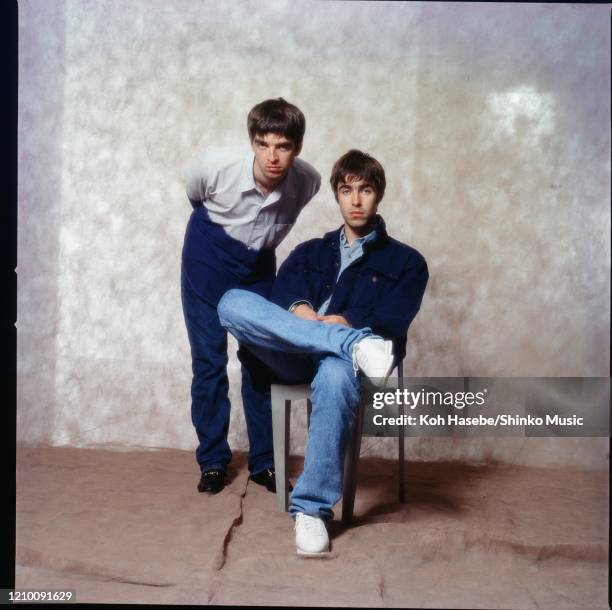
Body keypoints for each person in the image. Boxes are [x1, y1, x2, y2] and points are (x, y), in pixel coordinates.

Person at [217, 149, 429, 554]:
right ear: (336, 194)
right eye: (347, 190)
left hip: (344, 366)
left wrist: (345, 321)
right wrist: (299, 309)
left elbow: (392, 322)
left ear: (378, 195)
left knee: (334, 371)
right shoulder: (309, 251)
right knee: (231, 302)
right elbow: (279, 299)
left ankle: (311, 510)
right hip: (297, 355)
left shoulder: (407, 262)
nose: (355, 200)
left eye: (365, 190)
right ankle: (349, 346)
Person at [181, 98, 321, 494]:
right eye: (263, 144)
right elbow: (195, 197)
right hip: (207, 259)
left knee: (261, 363)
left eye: (284, 146)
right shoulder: (216, 166)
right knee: (209, 363)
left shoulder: (307, 182)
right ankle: (212, 461)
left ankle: (265, 464)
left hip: (258, 268)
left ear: (298, 147)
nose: (273, 156)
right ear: (252, 142)